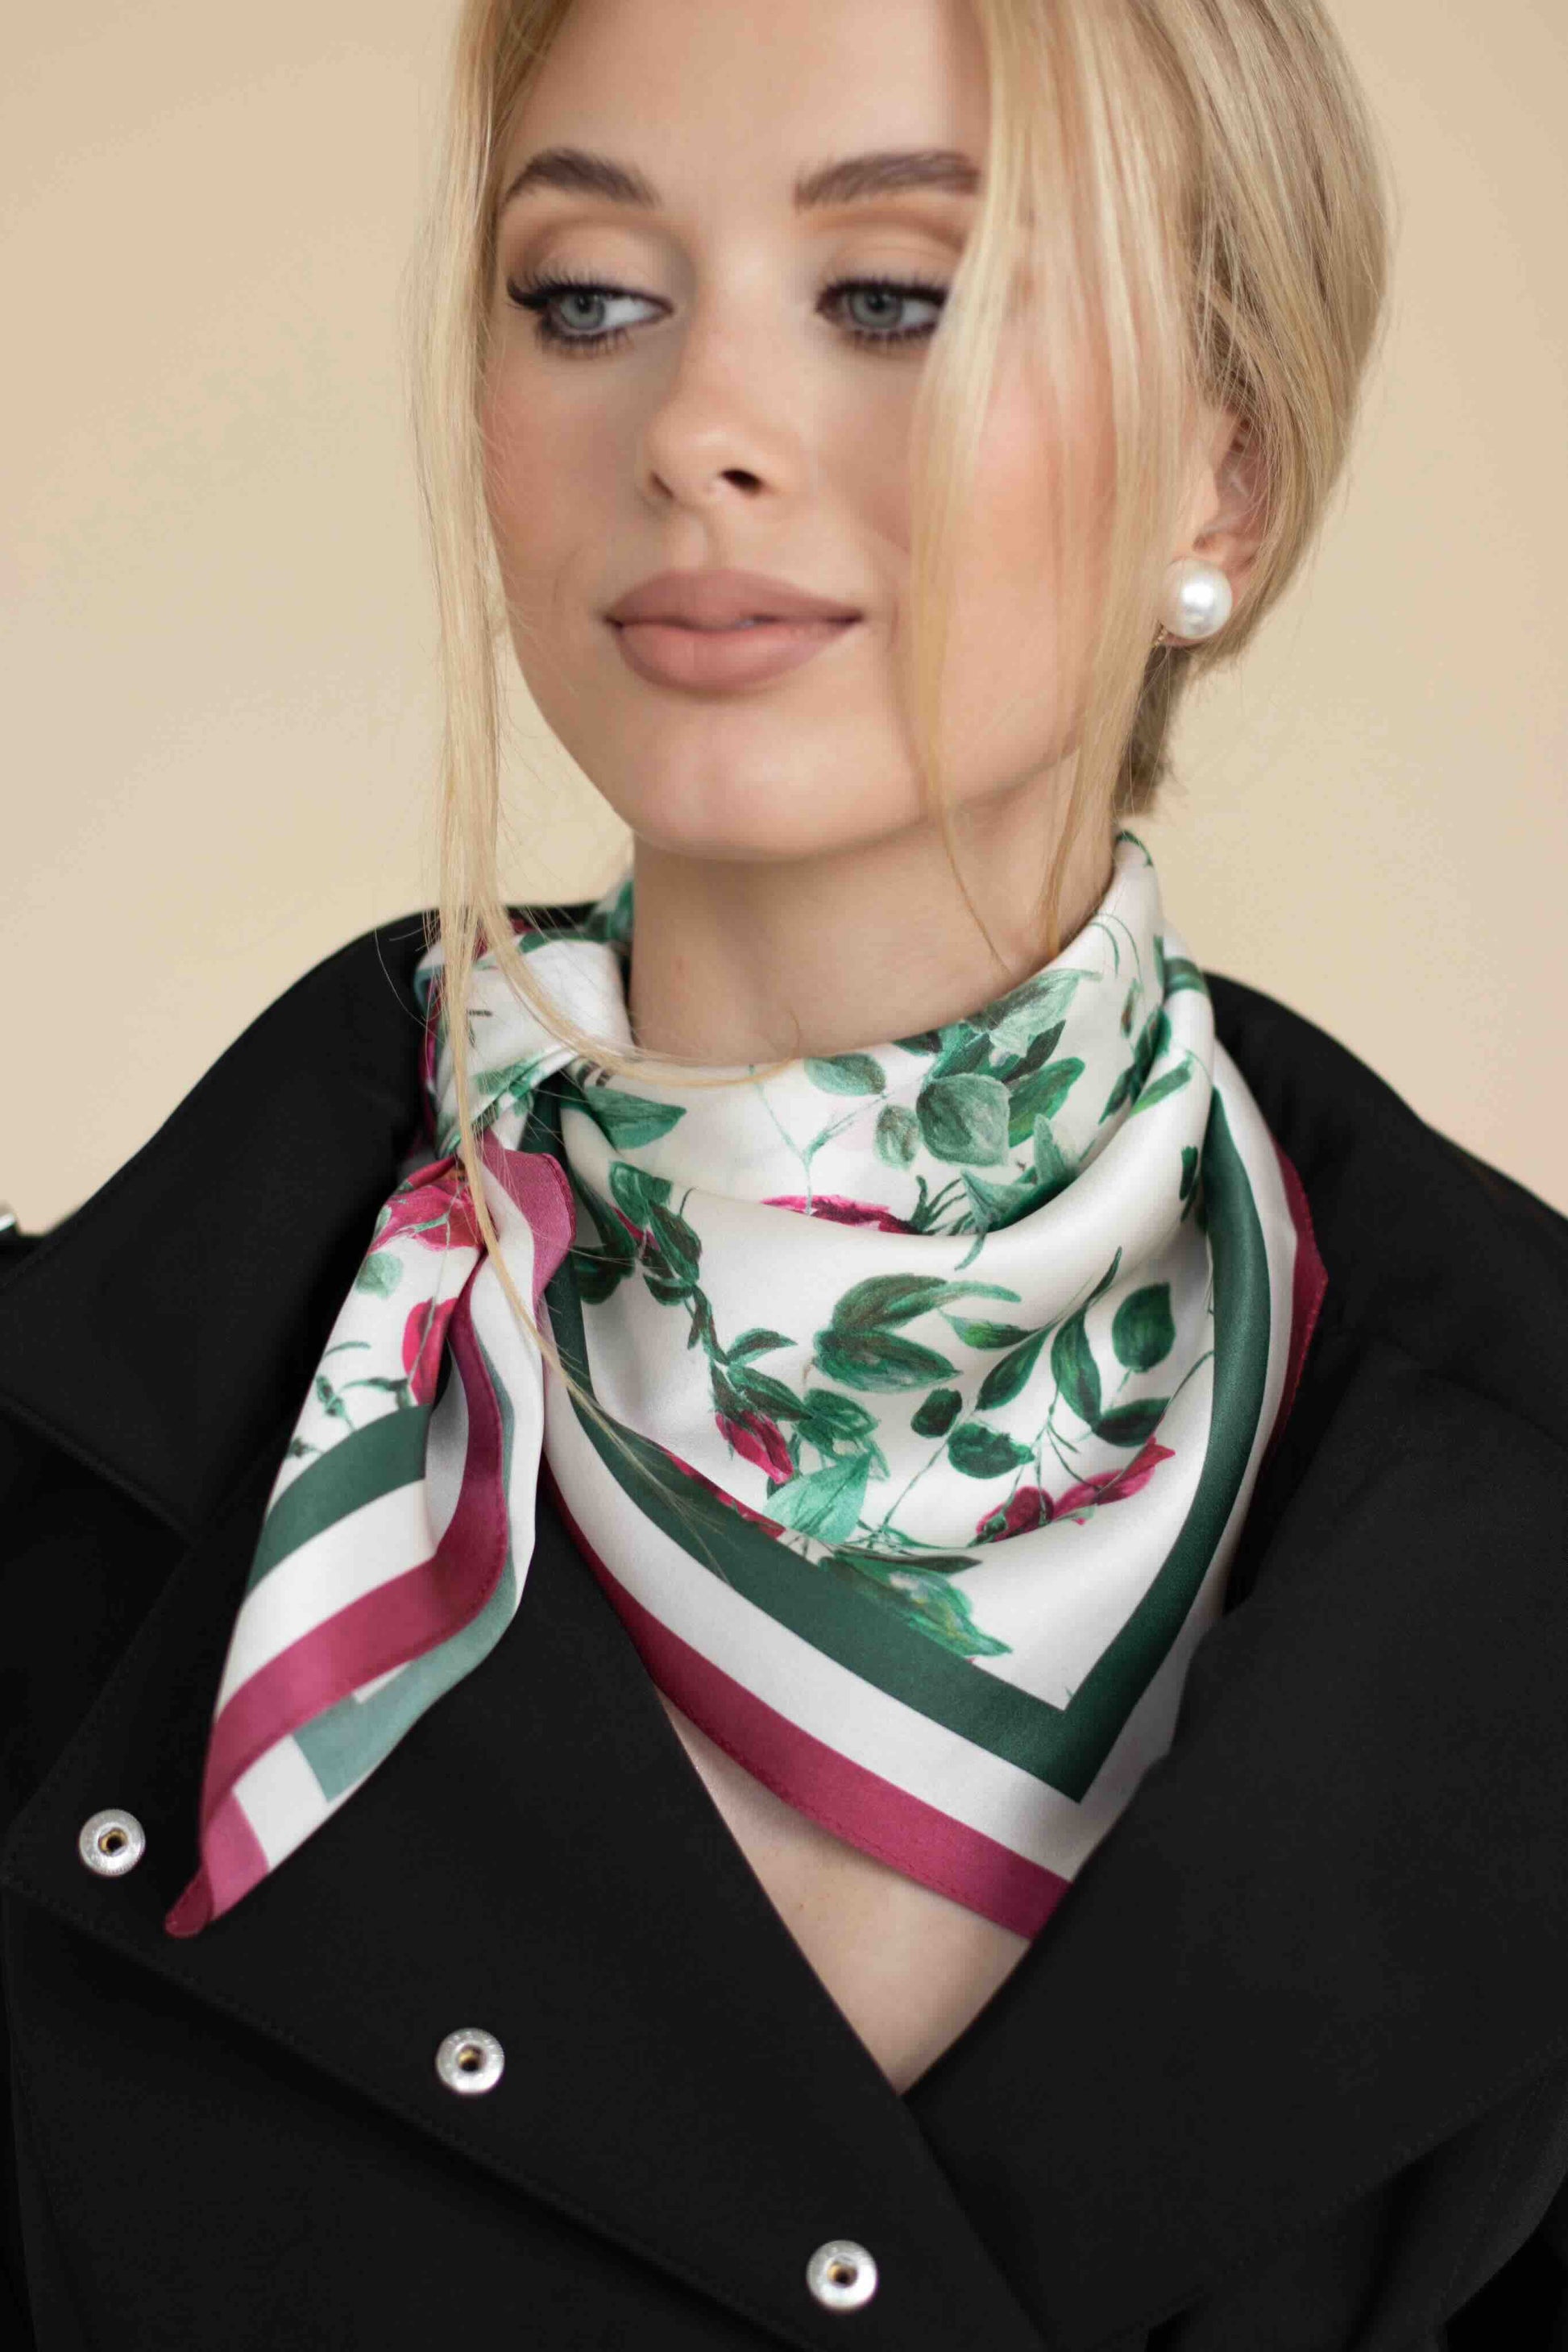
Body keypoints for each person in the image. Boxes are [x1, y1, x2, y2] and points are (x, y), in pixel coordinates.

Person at [3, 0, 1566, 2343]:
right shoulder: (73, 1494)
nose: (698, 432)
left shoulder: (1506, 1495)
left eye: (893, 301)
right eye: (587, 301)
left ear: (1216, 482)